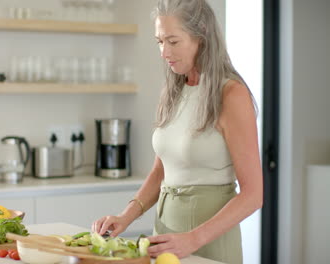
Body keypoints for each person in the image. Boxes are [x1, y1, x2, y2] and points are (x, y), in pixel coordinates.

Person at [91, 0, 263, 263]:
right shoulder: (175, 89)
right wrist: (125, 216)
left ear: (201, 37)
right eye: (160, 41)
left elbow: (253, 196)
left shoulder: (231, 94)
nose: (163, 52)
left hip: (209, 243)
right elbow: (161, 171)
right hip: (165, 237)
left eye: (173, 41)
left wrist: (193, 239)